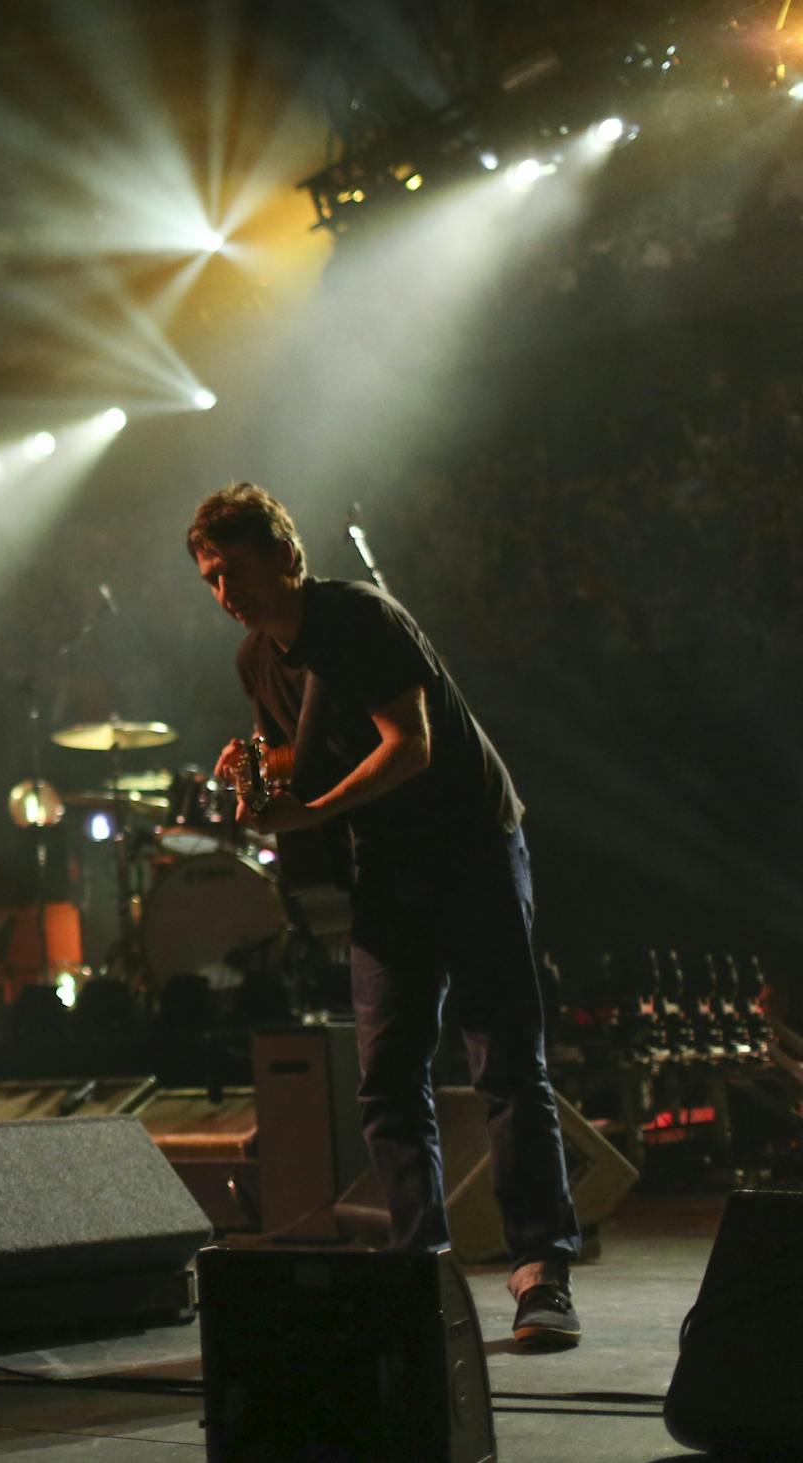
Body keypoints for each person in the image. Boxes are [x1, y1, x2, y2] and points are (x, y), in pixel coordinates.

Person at [187, 482, 583, 1349]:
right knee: (389, 1078)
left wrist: (312, 808)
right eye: (211, 577)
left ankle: (540, 1271)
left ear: (284, 556)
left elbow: (410, 742)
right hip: (390, 872)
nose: (224, 592)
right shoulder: (258, 660)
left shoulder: (360, 619)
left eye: (235, 569)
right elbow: (299, 755)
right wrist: (257, 765)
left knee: (507, 1063)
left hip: (471, 848)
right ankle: (420, 1268)